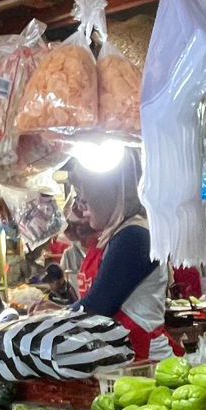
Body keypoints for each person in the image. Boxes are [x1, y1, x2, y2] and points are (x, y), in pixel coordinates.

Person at [67, 151, 183, 361]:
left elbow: (98, 306)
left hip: (145, 359)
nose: (83, 212)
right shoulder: (120, 234)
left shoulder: (133, 237)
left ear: (105, 195)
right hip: (129, 354)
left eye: (85, 201)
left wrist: (44, 322)